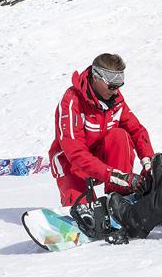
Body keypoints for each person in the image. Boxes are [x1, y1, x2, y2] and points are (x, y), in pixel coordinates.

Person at [49, 53, 154, 207]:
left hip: (102, 163)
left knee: (120, 135)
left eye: (119, 85)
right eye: (112, 86)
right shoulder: (72, 101)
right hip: (72, 165)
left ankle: (119, 198)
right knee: (85, 210)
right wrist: (115, 175)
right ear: (96, 77)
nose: (116, 91)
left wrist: (148, 162)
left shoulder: (115, 101)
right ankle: (81, 206)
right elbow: (75, 153)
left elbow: (137, 131)